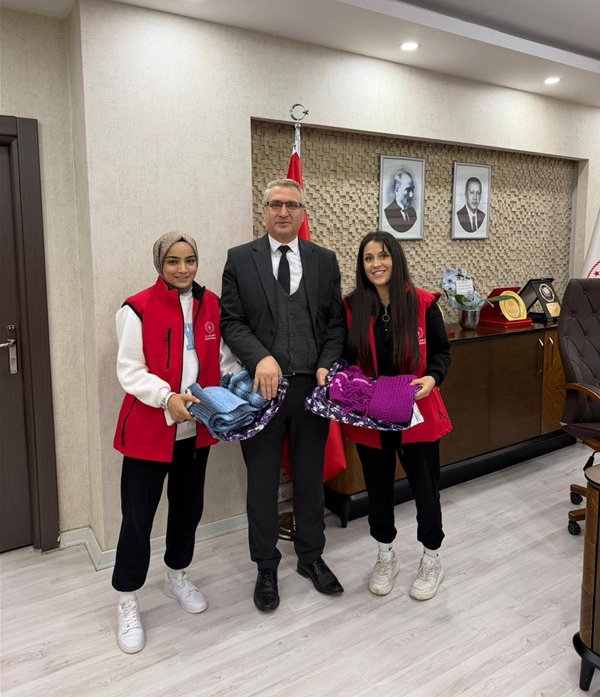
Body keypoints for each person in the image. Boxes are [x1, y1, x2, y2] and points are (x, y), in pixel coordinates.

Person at [220, 178, 346, 612]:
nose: (283, 212)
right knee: (262, 484)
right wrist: (260, 359)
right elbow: (231, 321)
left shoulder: (324, 260)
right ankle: (266, 566)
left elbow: (335, 324)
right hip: (262, 391)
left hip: (311, 388)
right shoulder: (240, 259)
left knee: (310, 479)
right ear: (264, 210)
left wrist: (327, 362)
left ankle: (311, 557)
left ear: (302, 212)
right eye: (275, 204)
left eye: (292, 205)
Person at [112, 232, 238, 653]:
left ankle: (176, 576)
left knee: (187, 508)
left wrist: (237, 390)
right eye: (173, 261)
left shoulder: (210, 303)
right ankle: (127, 598)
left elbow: (221, 359)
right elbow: (130, 370)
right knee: (138, 517)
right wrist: (167, 398)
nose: (183, 269)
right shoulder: (136, 308)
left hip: (195, 432)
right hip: (149, 432)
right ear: (159, 264)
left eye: (190, 260)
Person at [343, 231, 452, 600]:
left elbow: (441, 353)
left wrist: (432, 378)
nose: (376, 264)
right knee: (378, 489)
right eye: (369, 258)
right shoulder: (352, 307)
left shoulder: (422, 303)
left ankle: (432, 558)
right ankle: (385, 555)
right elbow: (344, 356)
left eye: (383, 255)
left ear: (396, 259)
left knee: (425, 488)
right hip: (372, 413)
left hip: (415, 410)